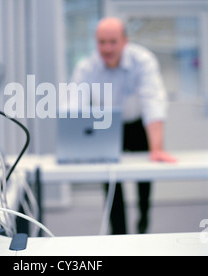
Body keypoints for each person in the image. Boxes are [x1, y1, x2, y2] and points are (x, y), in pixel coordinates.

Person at [71, 17, 176, 234]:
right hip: (108, 125)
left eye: (113, 41)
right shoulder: (87, 67)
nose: (107, 48)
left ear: (125, 41)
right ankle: (118, 233)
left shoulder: (143, 60)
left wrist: (157, 148)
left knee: (144, 175)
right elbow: (74, 105)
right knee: (110, 180)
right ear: (95, 42)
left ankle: (143, 218)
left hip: (138, 123)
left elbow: (153, 101)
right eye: (102, 42)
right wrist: (75, 146)